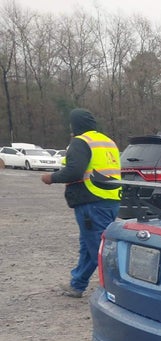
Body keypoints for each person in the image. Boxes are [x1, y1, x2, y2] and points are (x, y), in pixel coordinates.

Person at [42, 108, 122, 298]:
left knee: (100, 250)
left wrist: (51, 177)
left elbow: (74, 171)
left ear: (75, 125)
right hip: (110, 200)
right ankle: (77, 284)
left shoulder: (80, 142)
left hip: (91, 202)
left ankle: (118, 292)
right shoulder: (107, 142)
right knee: (89, 245)